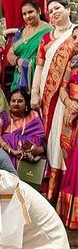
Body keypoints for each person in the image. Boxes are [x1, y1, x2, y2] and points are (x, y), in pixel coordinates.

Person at [31, 0, 75, 203]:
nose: (54, 12)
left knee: (67, 142)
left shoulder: (75, 34)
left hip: (70, 96)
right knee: (52, 140)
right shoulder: (46, 38)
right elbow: (39, 67)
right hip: (49, 98)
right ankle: (52, 193)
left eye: (57, 7)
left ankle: (69, 190)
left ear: (68, 9)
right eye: (50, 10)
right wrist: (35, 92)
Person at [0, 89, 46, 170]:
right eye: (13, 101)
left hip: (31, 157)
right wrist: (10, 149)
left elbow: (42, 138)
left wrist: (37, 149)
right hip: (7, 153)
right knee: (5, 138)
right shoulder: (4, 115)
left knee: (34, 139)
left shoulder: (33, 115)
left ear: (26, 103)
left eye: (20, 101)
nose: (16, 103)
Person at [56, 26, 78, 229]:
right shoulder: (72, 62)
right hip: (70, 115)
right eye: (74, 37)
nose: (77, 40)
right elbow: (62, 88)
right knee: (69, 159)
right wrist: (69, 103)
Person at [7, 0, 52, 92]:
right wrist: (18, 61)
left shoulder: (49, 30)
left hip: (38, 77)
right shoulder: (20, 32)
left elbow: (50, 56)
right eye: (24, 14)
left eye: (30, 12)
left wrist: (29, 65)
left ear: (39, 11)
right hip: (19, 77)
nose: (28, 16)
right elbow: (9, 54)